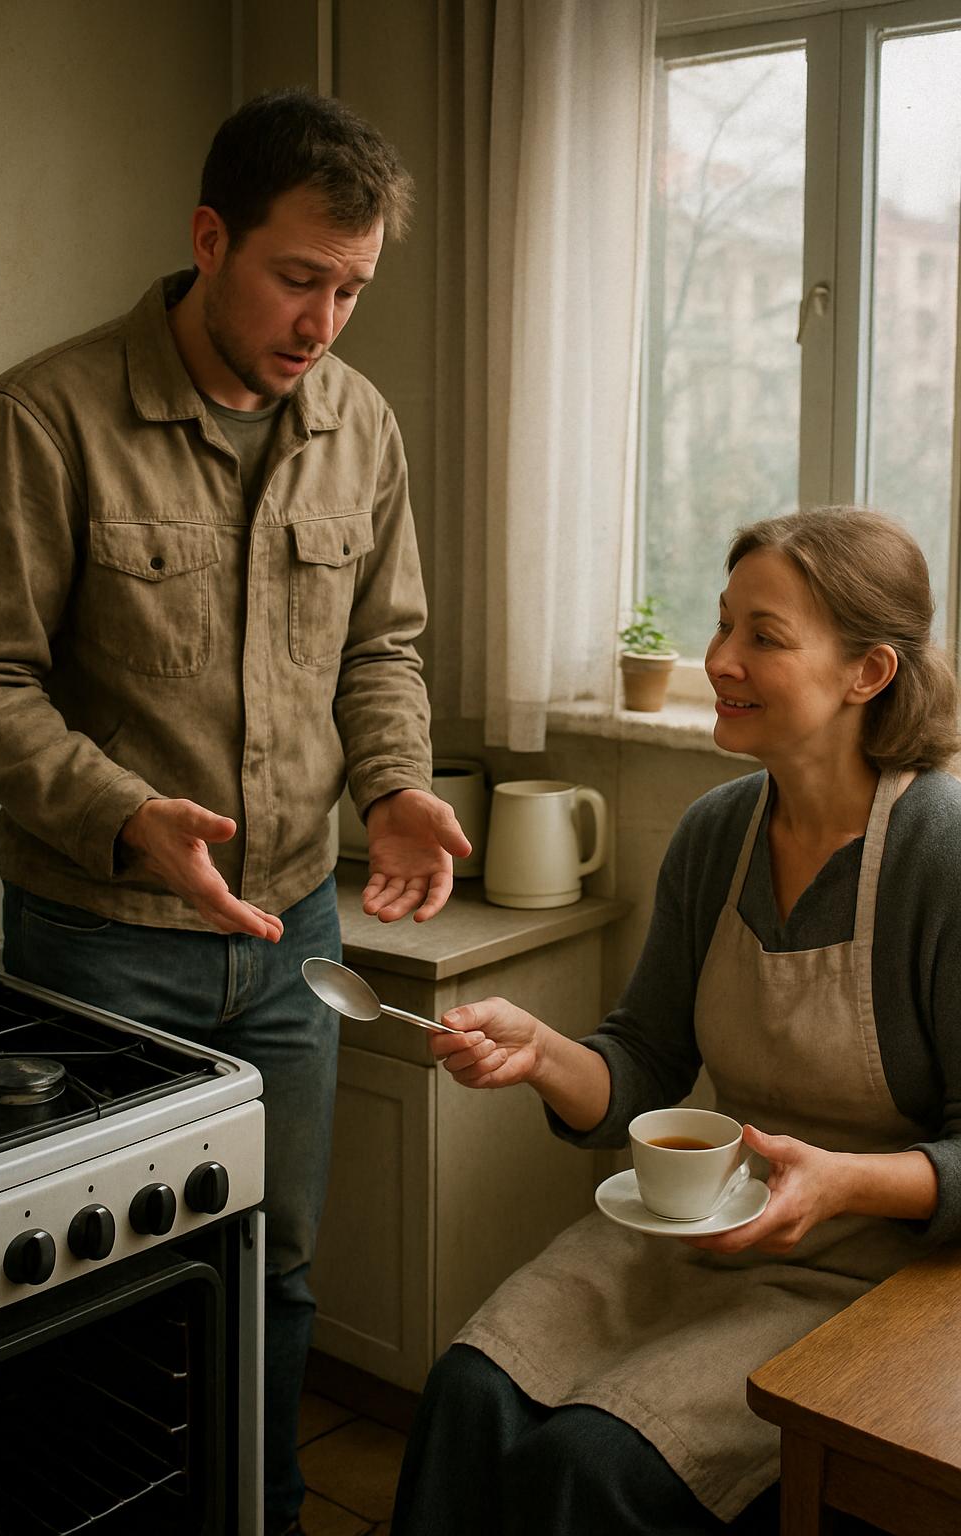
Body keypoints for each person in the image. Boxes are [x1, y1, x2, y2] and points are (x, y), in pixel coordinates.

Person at [0, 89, 469, 1536]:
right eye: (299, 278)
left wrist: (399, 787)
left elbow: (382, 649)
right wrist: (124, 813)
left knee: (273, 1265)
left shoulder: (361, 424)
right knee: (94, 1293)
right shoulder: (43, 416)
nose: (325, 322)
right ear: (209, 237)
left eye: (353, 289)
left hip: (297, 936)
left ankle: (266, 1516)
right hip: (104, 941)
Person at [390, 506, 961, 1535]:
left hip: (865, 1271)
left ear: (865, 673)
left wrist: (840, 1183)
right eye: (722, 624)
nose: (718, 659)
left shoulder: (941, 852)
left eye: (763, 637)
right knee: (468, 1390)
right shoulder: (716, 833)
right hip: (695, 1231)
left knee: (591, 1464)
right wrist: (542, 1053)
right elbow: (645, 1063)